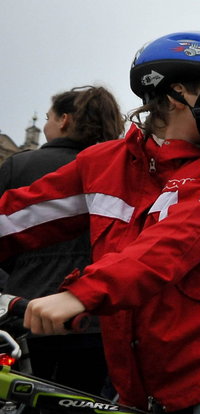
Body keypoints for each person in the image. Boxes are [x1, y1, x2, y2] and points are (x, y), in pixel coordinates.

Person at [0, 31, 200, 413]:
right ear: (178, 94)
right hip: (143, 371)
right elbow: (18, 216)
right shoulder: (102, 163)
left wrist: (81, 293)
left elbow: (169, 246)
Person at [0, 85, 123, 396]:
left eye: (49, 118)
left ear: (65, 120)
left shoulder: (20, 166)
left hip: (26, 310)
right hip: (95, 319)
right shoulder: (117, 170)